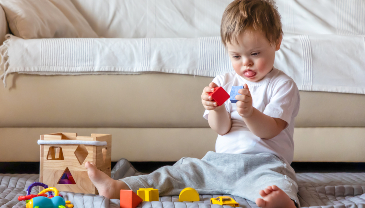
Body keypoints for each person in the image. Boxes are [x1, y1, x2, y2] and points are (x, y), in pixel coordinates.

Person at [84, 0, 300, 207]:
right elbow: (222, 128)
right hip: (220, 162)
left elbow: (270, 130)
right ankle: (120, 186)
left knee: (276, 182)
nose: (246, 63)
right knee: (181, 171)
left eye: (255, 53)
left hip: (264, 163)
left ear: (277, 41)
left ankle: (282, 202)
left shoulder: (282, 85)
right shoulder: (224, 81)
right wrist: (214, 108)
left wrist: (250, 112)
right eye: (236, 56)